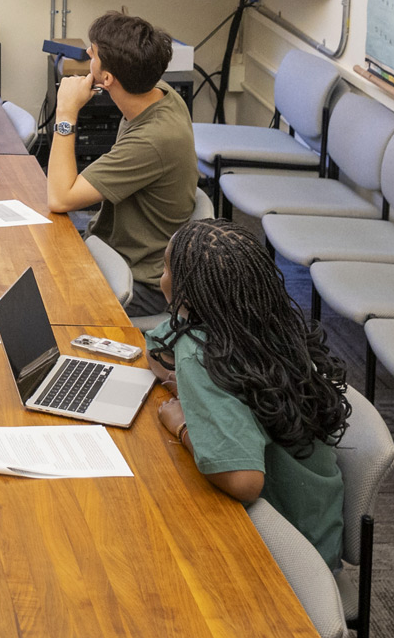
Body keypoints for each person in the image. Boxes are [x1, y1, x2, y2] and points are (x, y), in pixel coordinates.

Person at [148, 217, 349, 563]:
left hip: (286, 555)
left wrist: (181, 423)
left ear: (189, 292)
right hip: (318, 528)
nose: (159, 277)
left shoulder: (202, 353)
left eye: (166, 268)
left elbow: (244, 481)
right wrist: (193, 389)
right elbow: (158, 349)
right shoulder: (259, 320)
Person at [42, 10, 198, 317]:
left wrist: (66, 113)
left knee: (45, 303)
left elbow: (60, 198)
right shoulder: (162, 93)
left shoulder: (153, 140)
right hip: (120, 248)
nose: (88, 54)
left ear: (108, 78)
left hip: (141, 281)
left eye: (94, 53)